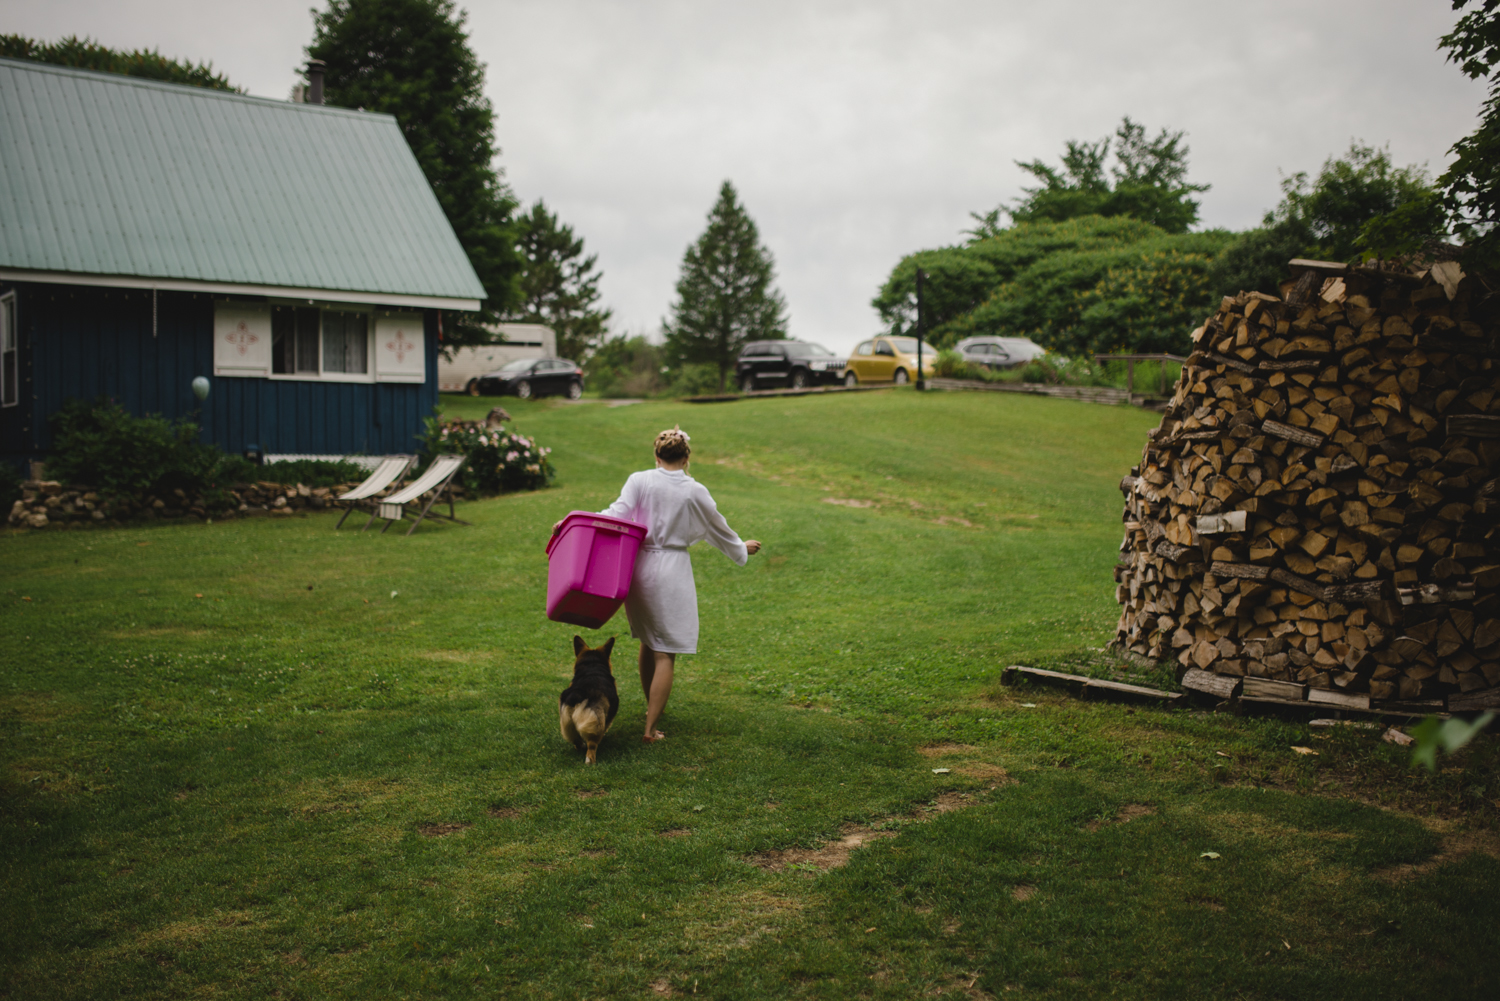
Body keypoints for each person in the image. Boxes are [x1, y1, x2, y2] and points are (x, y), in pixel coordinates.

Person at [590, 426, 760, 742]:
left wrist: (577, 522)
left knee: (647, 639)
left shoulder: (639, 480)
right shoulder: (694, 490)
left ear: (657, 455)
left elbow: (615, 514)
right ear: (686, 458)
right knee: (665, 651)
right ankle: (651, 729)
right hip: (670, 570)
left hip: (639, 569)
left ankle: (651, 707)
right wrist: (740, 547)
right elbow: (716, 526)